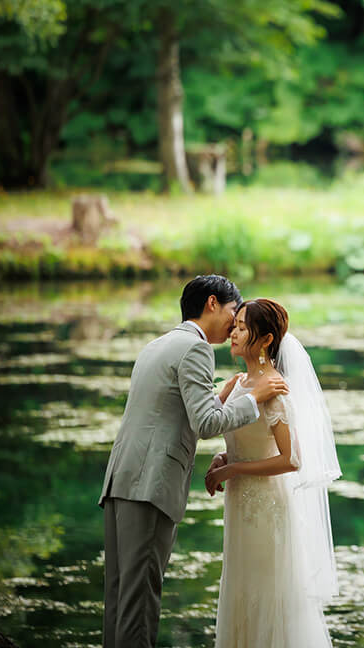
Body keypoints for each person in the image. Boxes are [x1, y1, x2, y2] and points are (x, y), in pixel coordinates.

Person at [99, 275, 288, 648]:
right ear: (212, 303)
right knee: (139, 605)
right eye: (234, 314)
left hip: (122, 479)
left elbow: (174, 413)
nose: (235, 325)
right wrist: (253, 398)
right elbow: (205, 424)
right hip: (151, 485)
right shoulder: (196, 349)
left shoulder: (160, 344)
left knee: (119, 599)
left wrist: (223, 397)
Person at [205, 298, 342, 648]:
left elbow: (291, 459)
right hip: (239, 503)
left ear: (265, 339)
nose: (233, 333)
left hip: (266, 505)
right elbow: (225, 432)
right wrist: (224, 457)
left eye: (242, 327)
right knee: (240, 583)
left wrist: (233, 469)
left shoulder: (275, 390)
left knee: (266, 589)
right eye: (233, 325)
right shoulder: (235, 384)